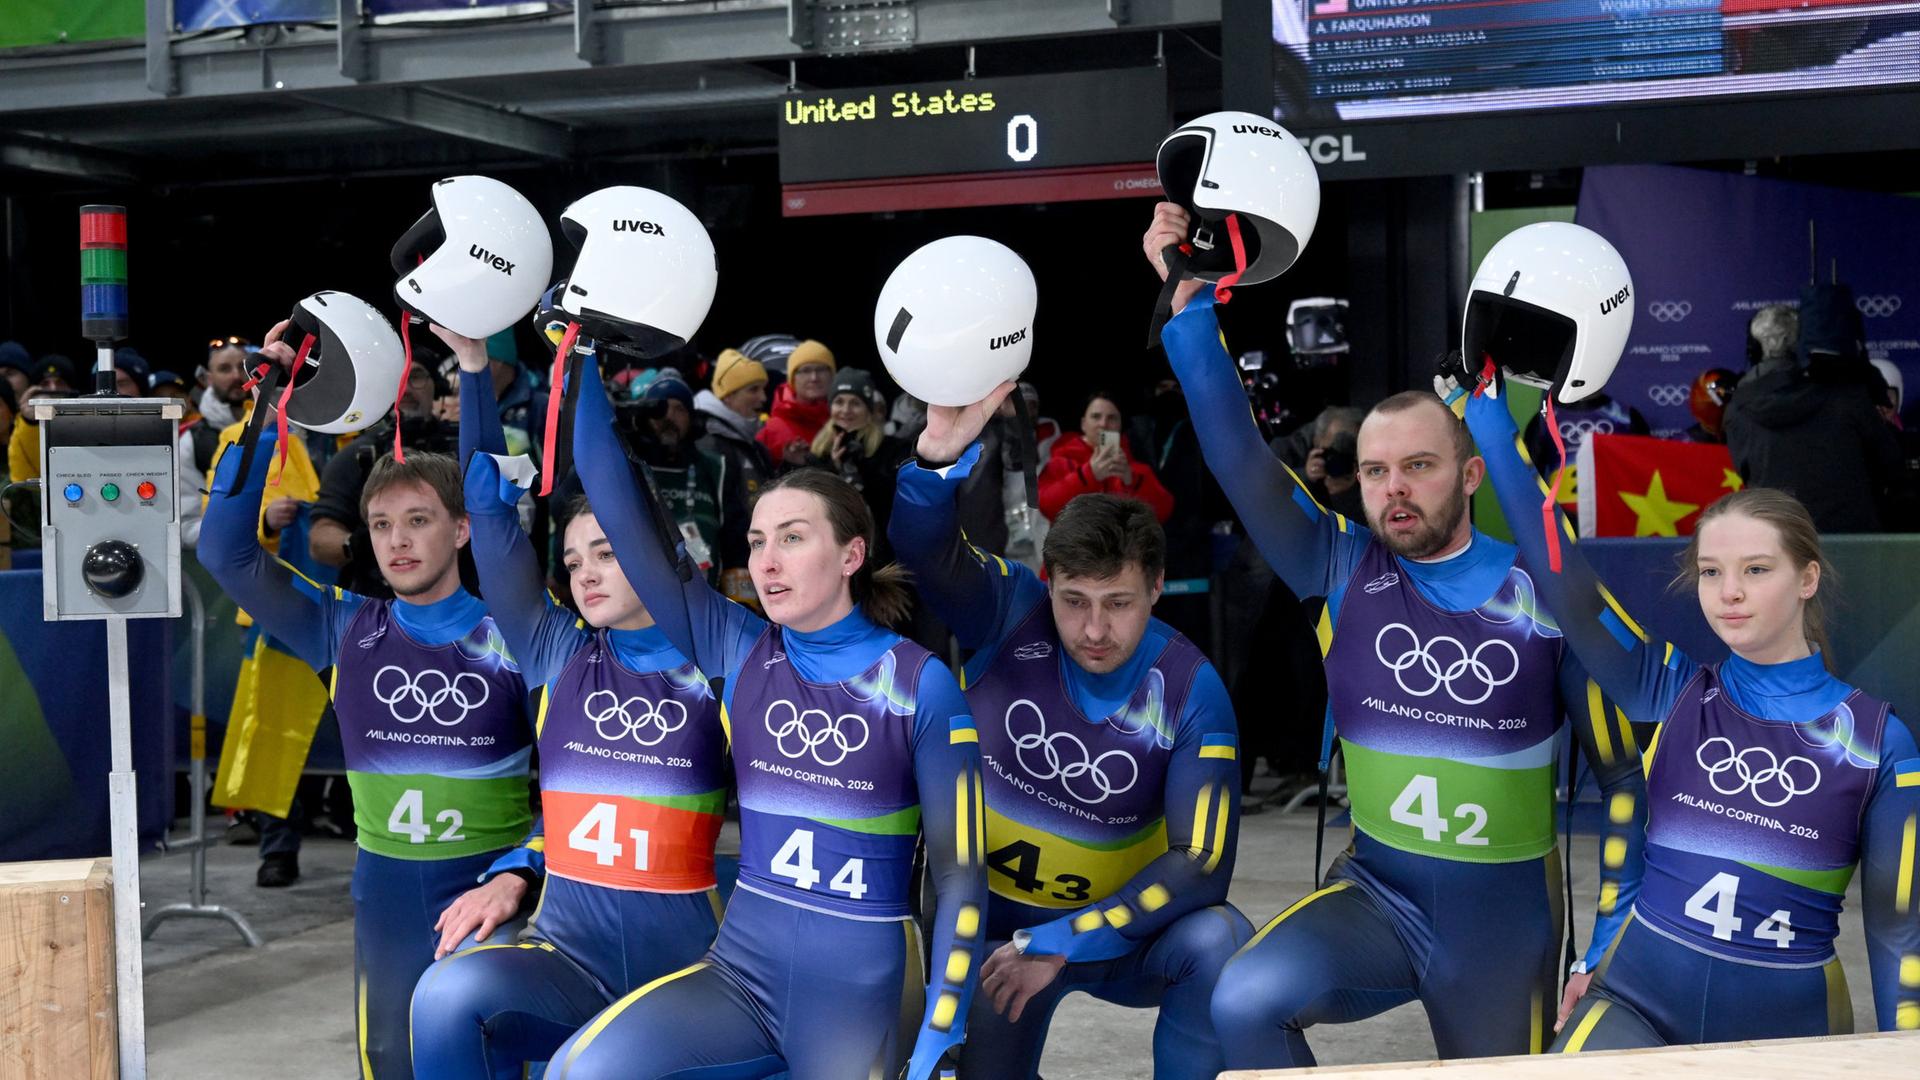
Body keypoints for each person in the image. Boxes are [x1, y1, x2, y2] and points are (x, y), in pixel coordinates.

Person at [1143, 203, 1648, 1068]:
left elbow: (1627, 777)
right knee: (1245, 996)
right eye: (1375, 471)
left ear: (1472, 473)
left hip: (1503, 921)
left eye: (1419, 465)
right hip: (1377, 896)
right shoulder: (1338, 565)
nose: (1393, 489)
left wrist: (1607, 942)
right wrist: (1189, 311)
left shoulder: (1544, 592)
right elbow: (1240, 459)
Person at [545, 363, 985, 1080]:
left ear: (851, 554)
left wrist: (945, 1023)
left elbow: (961, 876)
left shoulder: (920, 686)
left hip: (859, 996)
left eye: (792, 538)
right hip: (741, 977)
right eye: (755, 542)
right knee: (581, 1071)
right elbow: (618, 503)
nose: (767, 562)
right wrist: (585, 355)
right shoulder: (741, 651)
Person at [1461, 373, 1920, 1048]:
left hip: (1790, 1031)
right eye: (1711, 571)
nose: (1729, 592)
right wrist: (1489, 419)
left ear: (1808, 578)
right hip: (1636, 1000)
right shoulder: (1667, 690)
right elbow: (1570, 587)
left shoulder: (1879, 743)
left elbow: (1899, 933)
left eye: (1756, 570)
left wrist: (1902, 1056)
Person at [199, 321, 536, 1079]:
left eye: (419, 521)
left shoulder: (517, 633)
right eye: (381, 524)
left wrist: (474, 369)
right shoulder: (346, 627)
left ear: (462, 530)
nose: (397, 541)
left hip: (493, 889)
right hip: (384, 893)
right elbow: (224, 550)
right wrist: (268, 405)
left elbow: (492, 495)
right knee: (390, 1064)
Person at [893, 384, 1251, 1079]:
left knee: (1221, 942)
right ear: (1047, 580)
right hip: (987, 938)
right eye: (1075, 600)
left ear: (1156, 587)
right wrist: (935, 460)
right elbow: (925, 553)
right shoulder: (1012, 610)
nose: (1094, 630)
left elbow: (1202, 865)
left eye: (1119, 603)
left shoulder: (1191, 689)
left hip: (1117, 937)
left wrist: (1066, 938)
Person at [409, 330, 728, 1078]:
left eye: (608, 553)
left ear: (654, 550)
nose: (585, 573)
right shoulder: (557, 652)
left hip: (690, 971)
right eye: (575, 559)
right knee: (443, 997)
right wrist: (475, 368)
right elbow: (488, 510)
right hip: (567, 958)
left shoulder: (721, 662)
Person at [1725, 304, 1902, 533]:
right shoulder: (1848, 395)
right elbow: (1890, 464)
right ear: (1805, 343)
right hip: (1851, 539)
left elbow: (1745, 472)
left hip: (1780, 537)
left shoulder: (1737, 409)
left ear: (1756, 348)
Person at [309, 361, 459, 597]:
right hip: (376, 600)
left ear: (437, 386)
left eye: (416, 377)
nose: (406, 388)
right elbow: (319, 540)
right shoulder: (356, 455)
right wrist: (359, 544)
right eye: (396, 379)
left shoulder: (465, 449)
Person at [696, 348, 776, 605]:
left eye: (763, 389)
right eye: (753, 390)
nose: (763, 397)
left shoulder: (754, 446)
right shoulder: (709, 443)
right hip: (727, 568)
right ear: (728, 395)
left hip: (754, 562)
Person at [807, 368, 911, 559]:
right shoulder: (818, 453)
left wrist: (858, 470)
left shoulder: (891, 449)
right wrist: (835, 469)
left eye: (855, 403)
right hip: (831, 553)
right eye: (839, 402)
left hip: (881, 552)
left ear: (869, 409)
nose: (846, 410)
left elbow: (893, 504)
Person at [1038, 392, 1174, 523]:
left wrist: (1132, 481)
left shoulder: (1135, 468)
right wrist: (1087, 475)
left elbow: (1163, 512)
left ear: (1120, 425)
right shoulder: (1061, 463)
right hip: (1076, 539)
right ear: (1083, 424)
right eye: (1096, 416)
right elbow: (1046, 507)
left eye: (1112, 418)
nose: (1103, 424)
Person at [178, 338, 256, 548]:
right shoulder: (193, 442)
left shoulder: (285, 425)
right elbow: (186, 525)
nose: (236, 375)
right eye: (224, 369)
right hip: (229, 556)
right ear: (208, 378)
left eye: (243, 367)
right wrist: (237, 533)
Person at [755, 338, 835, 468]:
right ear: (792, 378)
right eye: (806, 370)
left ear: (832, 375)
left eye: (821, 370)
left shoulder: (847, 422)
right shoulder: (769, 432)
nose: (814, 378)